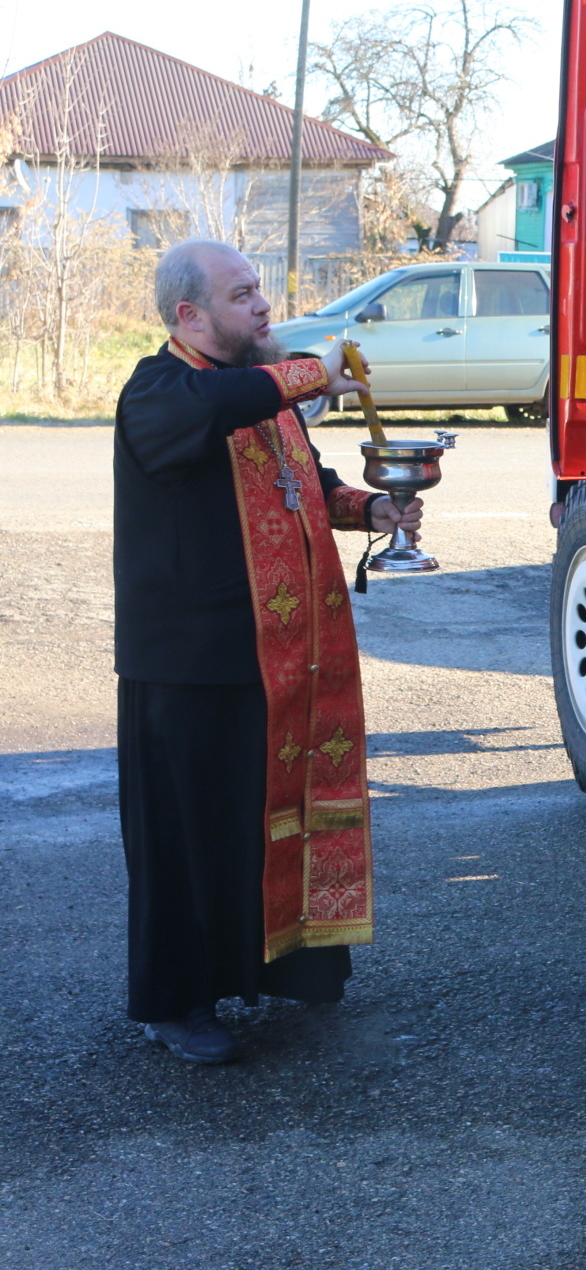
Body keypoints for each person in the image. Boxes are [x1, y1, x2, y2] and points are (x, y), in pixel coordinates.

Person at [114, 240, 421, 1064]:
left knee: (265, 823)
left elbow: (307, 485)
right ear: (190, 315)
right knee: (189, 839)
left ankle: (288, 970)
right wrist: (312, 371)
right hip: (188, 666)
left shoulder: (265, 396)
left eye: (260, 290)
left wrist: (371, 511)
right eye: (242, 293)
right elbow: (216, 408)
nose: (261, 305)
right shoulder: (159, 389)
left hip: (279, 656)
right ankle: (176, 1003)